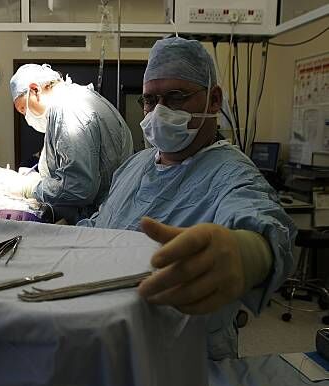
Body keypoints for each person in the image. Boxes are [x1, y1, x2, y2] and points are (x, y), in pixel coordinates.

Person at [78, 37, 296, 360]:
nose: (159, 111)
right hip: (102, 339)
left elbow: (266, 226)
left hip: (180, 359)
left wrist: (245, 253)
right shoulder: (135, 165)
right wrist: (66, 235)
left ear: (213, 100)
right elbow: (103, 220)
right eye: (150, 99)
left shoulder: (231, 173)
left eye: (176, 97)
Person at [9, 64, 133, 223]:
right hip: (106, 214)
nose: (26, 117)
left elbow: (78, 187)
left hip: (102, 221)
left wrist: (30, 188)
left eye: (22, 109)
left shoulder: (67, 108)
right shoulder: (76, 98)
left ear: (35, 90)